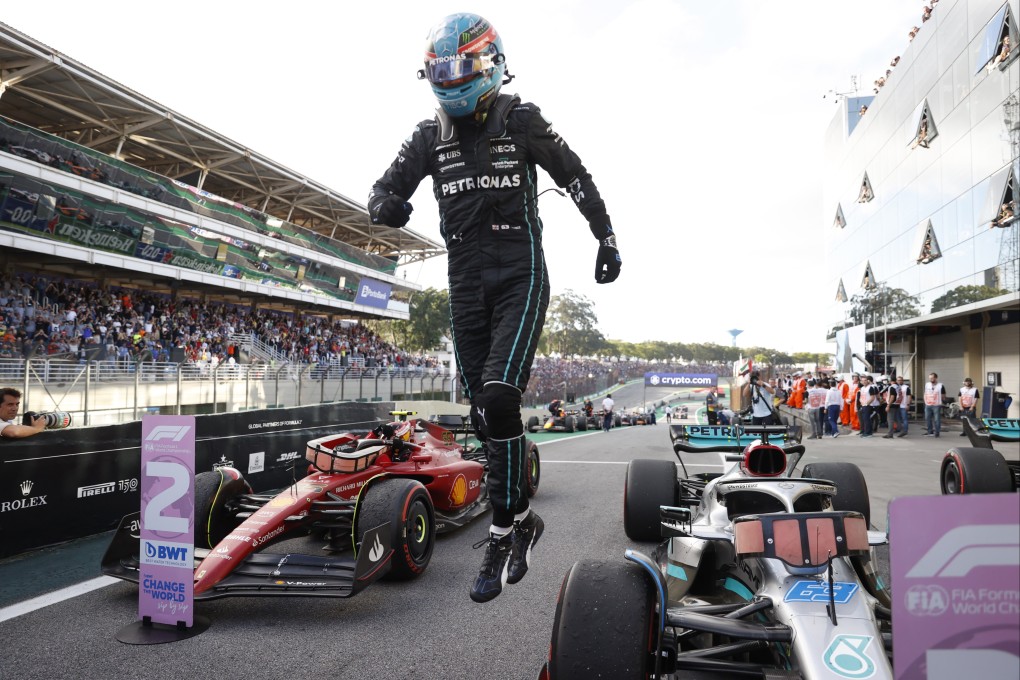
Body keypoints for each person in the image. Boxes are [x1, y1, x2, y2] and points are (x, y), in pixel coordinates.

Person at [368, 13, 621, 604]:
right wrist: (387, 208)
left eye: (458, 69)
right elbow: (382, 190)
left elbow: (576, 176)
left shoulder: (523, 119)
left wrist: (605, 238)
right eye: (438, 72)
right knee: (485, 416)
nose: (449, 81)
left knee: (500, 396)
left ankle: (504, 528)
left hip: (520, 274)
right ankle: (522, 519)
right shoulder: (427, 136)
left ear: (488, 63)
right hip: (464, 283)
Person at [923, 372, 946, 437]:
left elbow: (943, 395)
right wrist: (925, 401)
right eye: (930, 378)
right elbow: (925, 393)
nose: (931, 379)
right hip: (928, 404)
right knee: (927, 418)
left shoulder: (941, 386)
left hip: (936, 405)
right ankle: (929, 431)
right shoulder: (927, 384)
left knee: (937, 419)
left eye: (932, 378)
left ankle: (937, 432)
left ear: (936, 378)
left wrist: (942, 399)